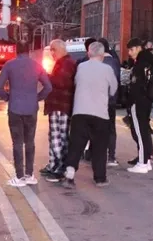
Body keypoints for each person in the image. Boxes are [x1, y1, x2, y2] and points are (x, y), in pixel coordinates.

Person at [60, 42, 119, 188]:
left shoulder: (81, 66)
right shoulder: (107, 69)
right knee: (100, 147)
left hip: (80, 112)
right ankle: (100, 178)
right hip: (100, 114)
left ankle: (70, 174)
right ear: (102, 55)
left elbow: (76, 83)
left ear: (88, 53)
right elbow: (114, 89)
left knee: (76, 145)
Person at [0, 48, 53, 187]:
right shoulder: (36, 66)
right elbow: (48, 87)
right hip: (31, 108)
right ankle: (30, 175)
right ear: (28, 52)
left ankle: (19, 177)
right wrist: (37, 98)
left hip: (15, 108)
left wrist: (7, 97)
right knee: (30, 142)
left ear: (17, 51)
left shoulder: (9, 65)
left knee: (17, 143)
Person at [42, 40, 77, 181]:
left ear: (62, 49)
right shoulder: (64, 63)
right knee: (56, 135)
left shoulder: (66, 64)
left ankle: (59, 167)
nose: (52, 53)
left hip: (60, 105)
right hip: (58, 104)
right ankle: (53, 165)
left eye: (53, 49)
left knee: (58, 136)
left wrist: (46, 76)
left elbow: (61, 82)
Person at [124, 38, 153, 173]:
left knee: (140, 132)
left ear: (138, 48)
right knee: (144, 130)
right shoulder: (150, 61)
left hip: (138, 102)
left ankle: (142, 163)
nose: (130, 53)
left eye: (131, 50)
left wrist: (129, 102)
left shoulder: (140, 64)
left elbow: (135, 86)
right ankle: (146, 160)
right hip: (147, 101)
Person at [98, 38, 121, 166]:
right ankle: (111, 156)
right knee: (111, 128)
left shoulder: (96, 62)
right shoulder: (114, 62)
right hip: (111, 101)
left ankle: (97, 155)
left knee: (97, 129)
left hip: (98, 101)